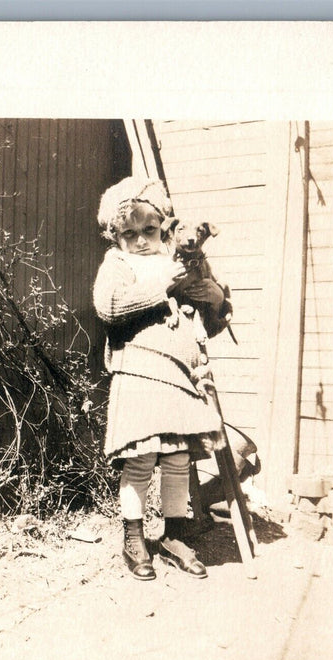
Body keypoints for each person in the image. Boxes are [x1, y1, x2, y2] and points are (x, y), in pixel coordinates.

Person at [93, 176, 232, 581]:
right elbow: (108, 306)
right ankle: (134, 538)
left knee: (177, 458)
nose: (140, 241)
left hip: (181, 376)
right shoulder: (119, 264)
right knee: (140, 459)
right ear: (115, 235)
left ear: (164, 228)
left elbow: (209, 321)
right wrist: (160, 286)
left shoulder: (177, 260)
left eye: (149, 231)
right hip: (140, 370)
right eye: (129, 234)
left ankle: (174, 535)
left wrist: (215, 299)